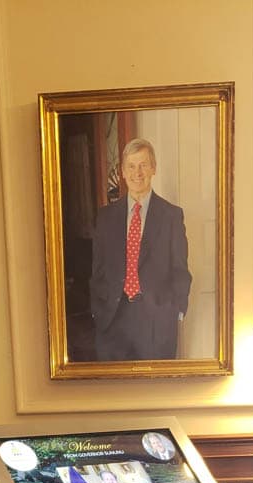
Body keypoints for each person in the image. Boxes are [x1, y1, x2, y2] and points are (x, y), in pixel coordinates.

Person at [90, 138, 192, 361]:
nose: (138, 172)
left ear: (153, 168)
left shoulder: (171, 216)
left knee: (156, 393)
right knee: (115, 393)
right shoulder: (105, 218)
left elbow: (180, 270)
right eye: (131, 166)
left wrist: (174, 312)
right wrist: (98, 312)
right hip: (113, 321)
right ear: (123, 172)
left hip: (156, 322)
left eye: (143, 165)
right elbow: (98, 272)